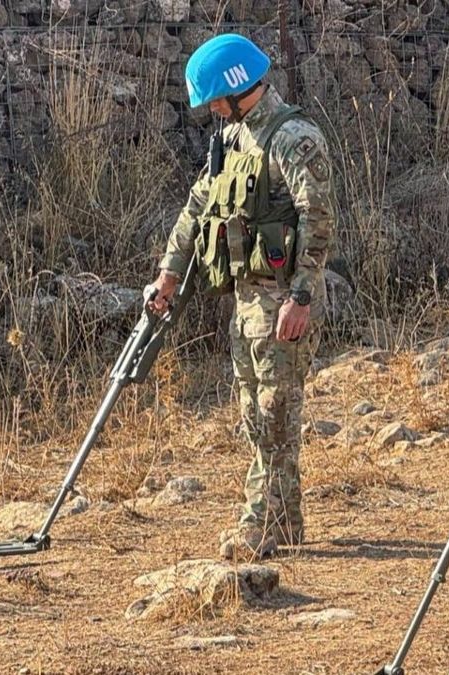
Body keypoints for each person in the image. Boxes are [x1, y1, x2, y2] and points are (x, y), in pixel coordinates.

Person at [149, 33, 336, 560]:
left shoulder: (294, 138)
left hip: (283, 303)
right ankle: (286, 522)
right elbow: (196, 209)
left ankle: (260, 524)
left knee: (274, 417)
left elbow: (319, 218)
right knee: (257, 416)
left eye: (215, 98)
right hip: (246, 303)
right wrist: (168, 274)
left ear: (237, 88)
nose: (210, 108)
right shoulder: (231, 139)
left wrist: (301, 297)